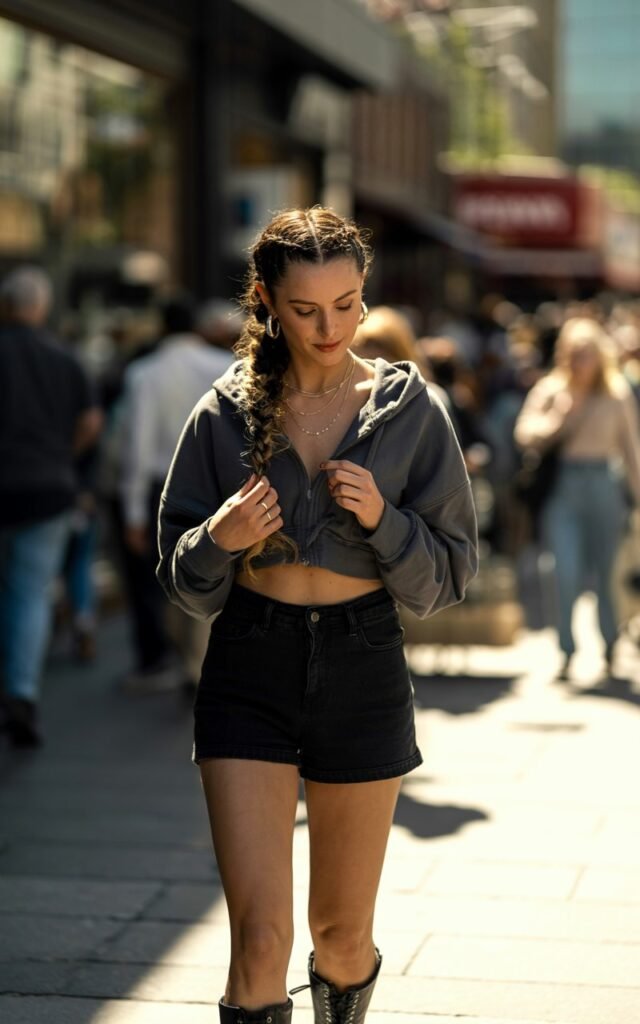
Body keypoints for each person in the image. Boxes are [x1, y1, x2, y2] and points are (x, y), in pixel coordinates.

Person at [157, 207, 478, 1024]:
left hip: (362, 663)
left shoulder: (411, 413)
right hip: (248, 664)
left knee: (340, 935)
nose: (329, 326)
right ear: (266, 301)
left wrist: (386, 521)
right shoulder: (222, 412)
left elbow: (446, 578)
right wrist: (218, 538)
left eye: (347, 304)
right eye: (305, 309)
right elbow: (182, 581)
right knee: (258, 941)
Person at [0, 266, 102, 746]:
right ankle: (21, 691)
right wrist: (65, 455)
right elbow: (91, 421)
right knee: (30, 593)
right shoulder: (65, 359)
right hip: (49, 488)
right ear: (39, 308)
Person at [119, 295, 234, 693]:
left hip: (160, 485)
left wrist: (132, 512)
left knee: (159, 579)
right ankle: (199, 662)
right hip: (218, 484)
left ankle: (171, 660)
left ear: (162, 327)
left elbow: (137, 445)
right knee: (212, 569)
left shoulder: (145, 373)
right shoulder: (223, 366)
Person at [514, 316, 640, 678]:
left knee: (606, 573)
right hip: (564, 487)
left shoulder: (616, 394)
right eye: (576, 353)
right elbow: (524, 434)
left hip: (603, 483)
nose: (582, 361)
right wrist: (557, 419)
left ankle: (611, 644)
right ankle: (567, 649)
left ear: (601, 356)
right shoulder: (552, 390)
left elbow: (631, 451)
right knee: (562, 570)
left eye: (588, 353)